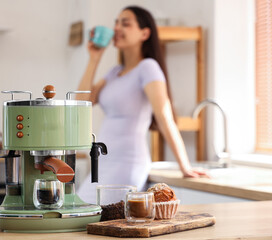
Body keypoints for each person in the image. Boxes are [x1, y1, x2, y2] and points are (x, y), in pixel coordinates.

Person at [76, 6, 209, 204]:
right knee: (77, 214)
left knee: (89, 219)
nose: (117, 28)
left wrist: (185, 167)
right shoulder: (114, 73)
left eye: (126, 23)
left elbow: (165, 118)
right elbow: (81, 103)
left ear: (144, 33)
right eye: (116, 22)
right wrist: (94, 58)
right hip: (101, 164)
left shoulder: (148, 68)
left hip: (126, 164)